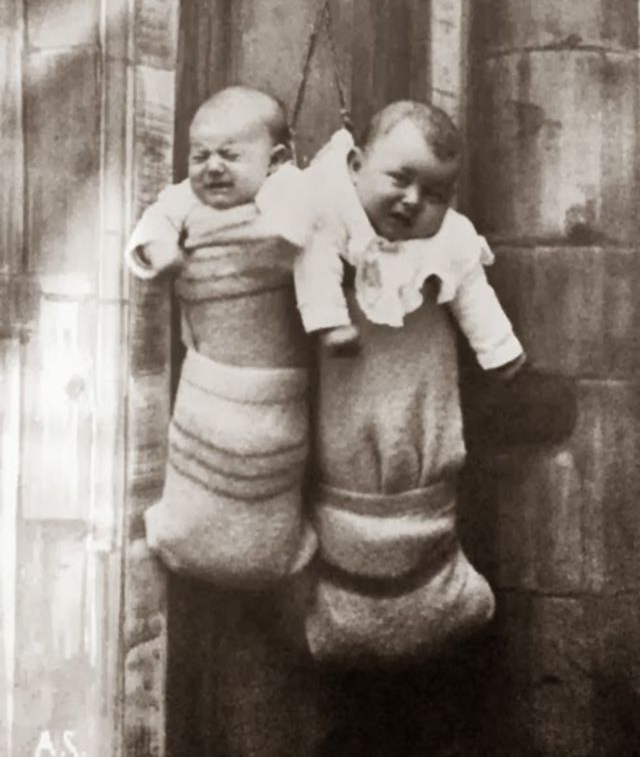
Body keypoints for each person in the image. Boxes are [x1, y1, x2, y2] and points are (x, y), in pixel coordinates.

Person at [292, 100, 525, 663]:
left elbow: (475, 295)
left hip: (422, 376)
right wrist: (328, 321)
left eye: (436, 193)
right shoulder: (331, 214)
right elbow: (312, 264)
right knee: (346, 445)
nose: (414, 201)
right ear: (355, 166)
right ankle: (348, 598)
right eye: (399, 178)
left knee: (424, 435)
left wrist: (501, 353)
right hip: (350, 374)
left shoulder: (450, 239)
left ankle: (433, 578)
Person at [125, 85, 316, 587]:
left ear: (276, 161)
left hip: (275, 385)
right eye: (200, 155)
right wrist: (159, 249)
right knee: (197, 469)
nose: (212, 167)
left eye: (230, 155)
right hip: (209, 383)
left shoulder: (286, 193)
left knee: (270, 472)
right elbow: (149, 226)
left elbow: (313, 228)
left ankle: (277, 548)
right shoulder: (184, 200)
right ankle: (180, 535)